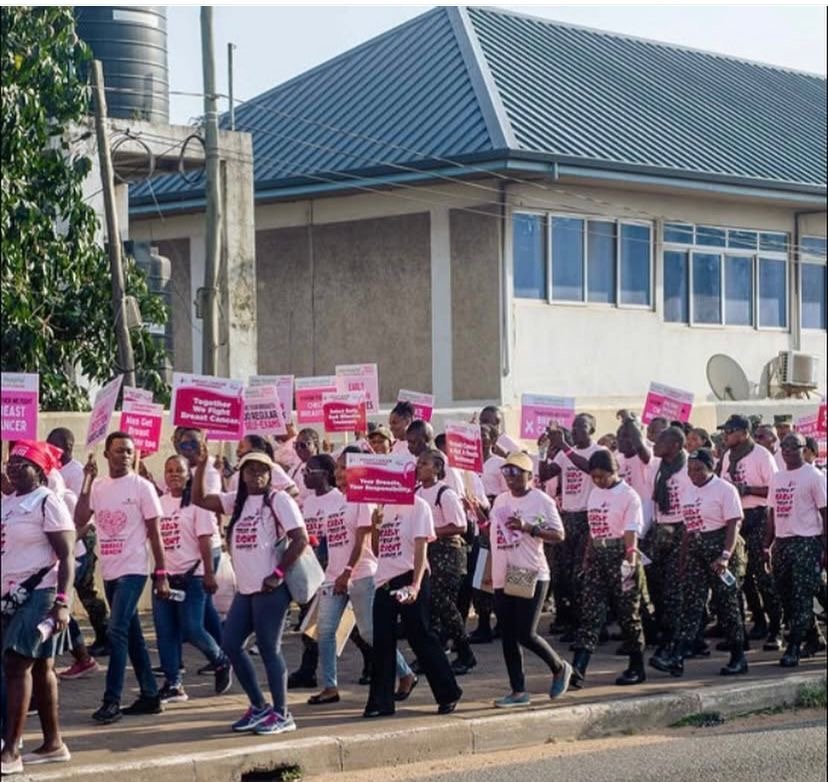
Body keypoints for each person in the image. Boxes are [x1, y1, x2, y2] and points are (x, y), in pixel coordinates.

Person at [192, 446, 308, 735]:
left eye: (262, 469)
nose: (257, 474)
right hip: (246, 590)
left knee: (269, 648)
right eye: (250, 469)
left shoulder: (278, 500)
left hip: (270, 589)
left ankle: (282, 713)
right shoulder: (237, 501)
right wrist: (203, 464)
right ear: (242, 474)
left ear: (270, 474)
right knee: (230, 645)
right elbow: (199, 499)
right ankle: (259, 706)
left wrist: (277, 574)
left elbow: (300, 538)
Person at [74, 432, 169, 725]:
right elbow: (80, 519)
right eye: (119, 451)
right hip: (110, 571)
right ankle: (150, 695)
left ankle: (111, 700)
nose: (125, 456)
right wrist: (87, 481)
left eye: (129, 451)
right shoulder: (99, 486)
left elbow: (155, 533)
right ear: (107, 455)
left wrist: (161, 574)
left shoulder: (142, 487)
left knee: (116, 632)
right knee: (133, 635)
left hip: (134, 570)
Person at [307, 450, 415, 704]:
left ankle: (405, 673)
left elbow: (362, 539)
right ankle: (330, 686)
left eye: (345, 467)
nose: (339, 473)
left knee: (369, 632)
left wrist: (347, 571)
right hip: (333, 576)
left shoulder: (363, 500)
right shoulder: (334, 500)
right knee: (325, 631)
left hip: (362, 574)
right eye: (337, 468)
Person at [1, 441, 75, 775]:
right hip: (10, 595)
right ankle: (53, 744)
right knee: (43, 668)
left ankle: (11, 751)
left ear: (40, 471)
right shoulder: (8, 502)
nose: (13, 468)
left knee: (16, 663)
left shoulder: (47, 501)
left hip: (41, 593)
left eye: (22, 463)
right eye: (11, 462)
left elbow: (67, 556)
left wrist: (62, 603)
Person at [364, 486, 462, 718]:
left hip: (410, 576)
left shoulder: (419, 506)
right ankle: (380, 702)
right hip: (384, 581)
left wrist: (416, 585)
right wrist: (376, 526)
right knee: (382, 641)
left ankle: (448, 693)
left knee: (420, 636)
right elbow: (378, 550)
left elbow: (421, 549)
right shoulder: (383, 508)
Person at [650, 449, 747, 677]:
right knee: (690, 605)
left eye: (698, 469)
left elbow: (733, 524)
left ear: (710, 468)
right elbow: (688, 528)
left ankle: (738, 657)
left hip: (720, 548)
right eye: (690, 470)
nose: (693, 474)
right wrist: (683, 559)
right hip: (696, 549)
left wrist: (725, 556)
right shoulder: (688, 491)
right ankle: (677, 657)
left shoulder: (725, 489)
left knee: (726, 604)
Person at [489, 452, 571, 707]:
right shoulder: (501, 500)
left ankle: (559, 667)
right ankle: (518, 691)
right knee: (508, 635)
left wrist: (529, 528)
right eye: (506, 472)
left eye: (516, 472)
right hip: (503, 572)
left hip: (528, 571)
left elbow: (559, 535)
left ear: (529, 475)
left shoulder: (541, 500)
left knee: (525, 633)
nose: (510, 477)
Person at [153, 455, 232, 702]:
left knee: (192, 627)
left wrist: (209, 573)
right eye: (169, 470)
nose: (174, 474)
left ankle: (220, 660)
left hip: (193, 576)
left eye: (179, 470)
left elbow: (205, 539)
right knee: (165, 631)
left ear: (189, 475)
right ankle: (173, 683)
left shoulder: (198, 505)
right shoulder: (158, 504)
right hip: (166, 577)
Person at [573, 450, 646, 687]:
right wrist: (588, 556)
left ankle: (636, 666)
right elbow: (593, 529)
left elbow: (631, 531)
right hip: (598, 557)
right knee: (590, 613)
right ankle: (578, 669)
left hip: (621, 556)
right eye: (593, 476)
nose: (598, 481)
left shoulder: (628, 496)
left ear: (614, 471)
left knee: (628, 613)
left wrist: (630, 560)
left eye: (602, 476)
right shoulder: (595, 493)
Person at [719, 414, 782, 650]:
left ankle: (776, 629)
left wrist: (747, 489)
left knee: (763, 576)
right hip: (736, 519)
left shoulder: (761, 455)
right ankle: (758, 620)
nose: (726, 435)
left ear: (744, 433)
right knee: (741, 577)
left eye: (730, 431)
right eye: (725, 431)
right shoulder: (728, 456)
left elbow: (775, 489)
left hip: (758, 517)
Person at [765, 433, 827, 667]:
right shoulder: (778, 477)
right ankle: (814, 638)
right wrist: (767, 545)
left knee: (802, 597)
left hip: (807, 541)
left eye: (793, 446)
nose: (787, 450)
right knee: (787, 595)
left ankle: (794, 647)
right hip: (782, 543)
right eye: (784, 446)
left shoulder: (814, 476)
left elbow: (825, 512)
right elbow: (772, 513)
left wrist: (825, 547)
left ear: (804, 449)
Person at [46, 427, 110, 658]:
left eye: (55, 445)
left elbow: (80, 511)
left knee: (86, 591)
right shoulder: (53, 469)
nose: (51, 449)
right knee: (83, 591)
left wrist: (72, 541)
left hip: (81, 536)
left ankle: (104, 637)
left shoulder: (76, 472)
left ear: (68, 447)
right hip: (64, 539)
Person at [538, 414, 602, 638]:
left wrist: (564, 446)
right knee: (564, 574)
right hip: (568, 517)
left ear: (591, 429)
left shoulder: (597, 452)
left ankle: (588, 625)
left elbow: (589, 468)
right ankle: (572, 622)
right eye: (573, 427)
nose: (575, 431)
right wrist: (543, 451)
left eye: (581, 427)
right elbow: (545, 475)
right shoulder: (566, 454)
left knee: (580, 574)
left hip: (587, 517)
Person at [415, 449, 476, 675]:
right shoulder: (416, 493)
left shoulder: (445, 493)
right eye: (419, 463)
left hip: (447, 554)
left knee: (444, 605)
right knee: (427, 607)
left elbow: (460, 526)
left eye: (424, 463)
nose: (419, 467)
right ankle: (430, 656)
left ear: (438, 468)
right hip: (426, 553)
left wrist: (430, 531)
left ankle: (465, 652)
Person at [647, 426, 692, 659]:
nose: (655, 444)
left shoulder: (689, 468)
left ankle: (674, 642)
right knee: (657, 585)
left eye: (660, 441)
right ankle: (665, 632)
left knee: (675, 589)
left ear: (675, 445)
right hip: (660, 530)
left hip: (681, 530)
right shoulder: (658, 467)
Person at [227, 435, 298, 497]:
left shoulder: (271, 467)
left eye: (241, 446)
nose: (237, 450)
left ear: (254, 449)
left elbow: (293, 490)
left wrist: (272, 501)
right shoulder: (236, 474)